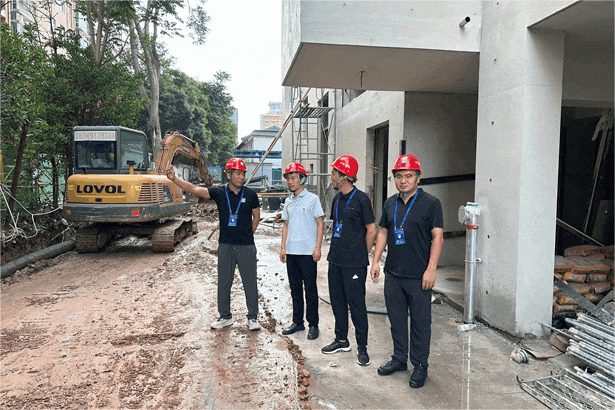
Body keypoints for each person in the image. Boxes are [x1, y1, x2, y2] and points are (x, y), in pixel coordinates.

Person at [370, 154, 444, 388]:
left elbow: (437, 237)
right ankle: (399, 359)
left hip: (419, 276)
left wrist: (431, 269)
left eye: (408, 176)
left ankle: (420, 365)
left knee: (421, 323)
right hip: (393, 273)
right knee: (397, 320)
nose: (403, 181)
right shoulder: (390, 203)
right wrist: (375, 261)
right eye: (399, 176)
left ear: (418, 178)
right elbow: (383, 232)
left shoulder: (431, 203)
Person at [166, 158, 262, 331]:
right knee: (224, 282)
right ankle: (225, 317)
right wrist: (174, 178)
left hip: (246, 246)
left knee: (250, 282)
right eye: (237, 173)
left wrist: (248, 235)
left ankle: (253, 317)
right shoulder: (219, 192)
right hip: (225, 246)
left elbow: (256, 217)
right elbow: (194, 189)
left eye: (243, 174)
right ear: (228, 174)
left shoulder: (250, 195)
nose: (241, 177)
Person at [322, 154, 376, 367]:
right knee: (337, 302)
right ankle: (341, 340)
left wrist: (361, 254)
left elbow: (371, 230)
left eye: (334, 174)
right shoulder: (337, 200)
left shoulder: (362, 199)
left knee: (357, 305)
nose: (331, 178)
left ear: (344, 176)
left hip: (354, 264)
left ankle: (362, 348)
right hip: (335, 260)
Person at [278, 162, 325, 340]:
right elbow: (286, 224)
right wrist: (283, 247)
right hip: (292, 252)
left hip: (307, 252)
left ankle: (313, 324)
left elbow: (320, 223)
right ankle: (298, 322)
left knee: (310, 290)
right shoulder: (288, 201)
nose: (290, 182)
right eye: (288, 179)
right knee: (295, 289)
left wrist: (317, 247)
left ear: (302, 179)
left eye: (293, 178)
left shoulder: (313, 199)